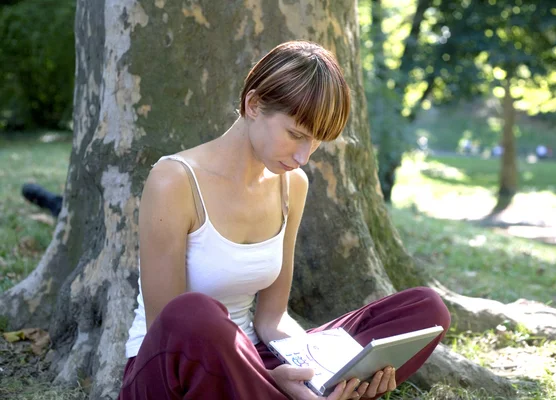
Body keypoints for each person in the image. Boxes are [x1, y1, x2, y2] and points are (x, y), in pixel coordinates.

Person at [118, 41, 450, 400]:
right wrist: (268, 377)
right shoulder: (174, 180)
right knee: (194, 313)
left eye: (316, 141)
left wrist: (312, 372)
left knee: (425, 310)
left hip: (254, 361)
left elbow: (270, 320)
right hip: (170, 371)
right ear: (254, 104)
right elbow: (166, 329)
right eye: (296, 135)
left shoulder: (292, 185)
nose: (303, 155)